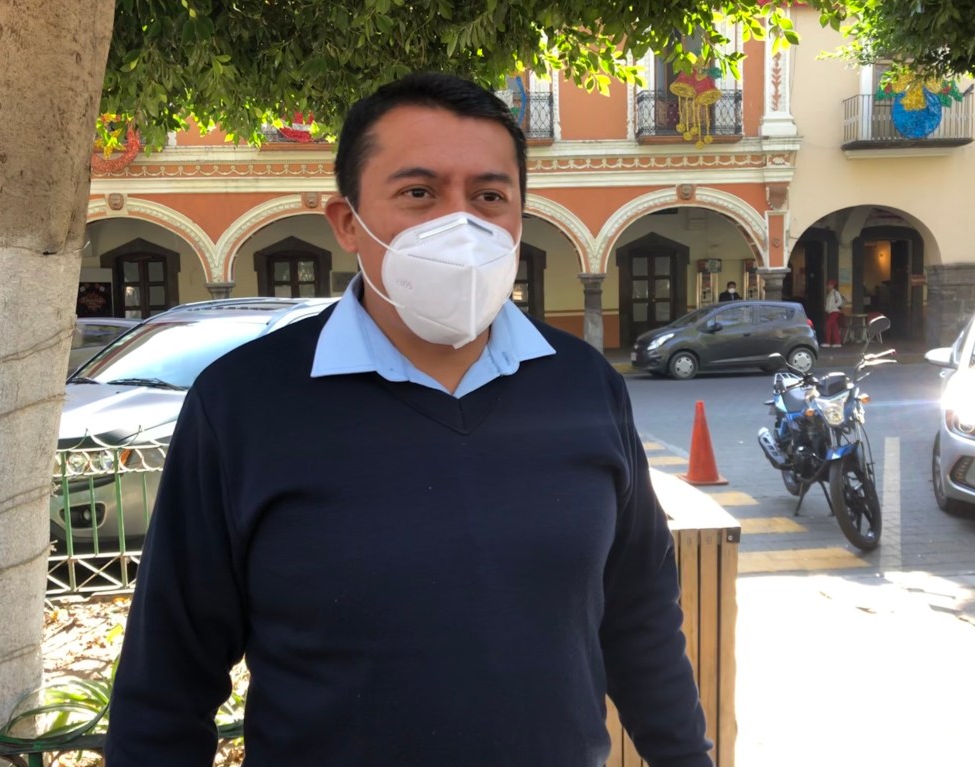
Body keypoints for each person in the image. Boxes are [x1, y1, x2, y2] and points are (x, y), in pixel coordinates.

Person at [104, 72, 713, 767]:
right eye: (419, 193)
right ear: (347, 223)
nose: (461, 224)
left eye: (489, 196)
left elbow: (640, 619)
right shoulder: (243, 403)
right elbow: (169, 679)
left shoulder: (585, 385)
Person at [823, 278, 844, 347]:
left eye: (829, 285)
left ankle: (828, 342)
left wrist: (834, 306)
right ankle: (837, 342)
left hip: (834, 311)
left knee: (828, 325)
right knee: (835, 327)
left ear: (832, 285)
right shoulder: (829, 293)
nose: (827, 286)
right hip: (830, 312)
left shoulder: (835, 292)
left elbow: (840, 301)